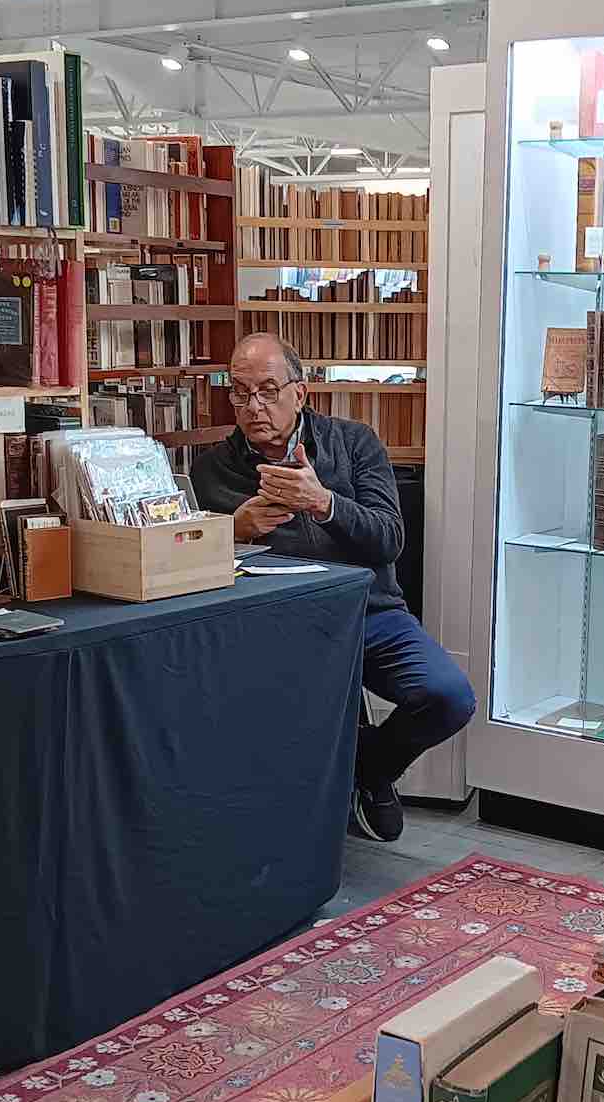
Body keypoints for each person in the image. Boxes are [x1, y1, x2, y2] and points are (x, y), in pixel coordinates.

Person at [192, 333, 475, 843]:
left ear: (300, 393)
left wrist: (325, 502)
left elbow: (389, 539)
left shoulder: (353, 442)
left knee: (449, 697)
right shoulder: (211, 467)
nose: (253, 406)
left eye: (268, 390)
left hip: (370, 614)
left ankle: (367, 769)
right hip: (274, 626)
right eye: (238, 392)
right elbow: (192, 566)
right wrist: (235, 529)